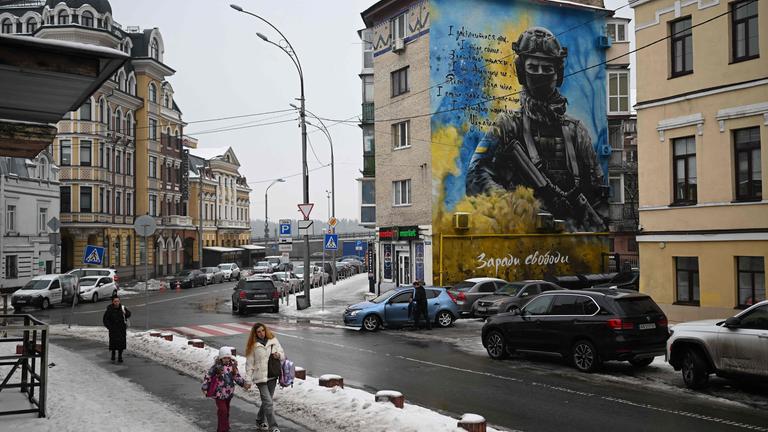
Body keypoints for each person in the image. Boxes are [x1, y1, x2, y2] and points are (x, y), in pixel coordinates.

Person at [465, 27, 608, 231]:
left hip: (571, 242)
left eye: (547, 68)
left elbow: (596, 191)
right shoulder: (507, 125)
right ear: (522, 71)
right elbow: (476, 176)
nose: (540, 74)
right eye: (533, 67)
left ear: (558, 73)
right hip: (520, 239)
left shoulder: (576, 131)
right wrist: (520, 207)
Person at [245, 323, 285, 432]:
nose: (261, 333)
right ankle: (274, 427)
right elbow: (249, 364)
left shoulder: (273, 340)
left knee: (267, 401)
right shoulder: (253, 345)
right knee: (268, 402)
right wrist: (248, 379)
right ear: (255, 333)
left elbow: (282, 354)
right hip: (260, 378)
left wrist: (279, 355)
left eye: (263, 330)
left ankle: (259, 420)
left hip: (272, 375)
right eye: (258, 331)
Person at [202, 346, 249, 432]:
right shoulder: (216, 367)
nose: (226, 359)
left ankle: (225, 426)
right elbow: (208, 377)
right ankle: (222, 429)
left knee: (226, 411)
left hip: (228, 393)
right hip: (219, 394)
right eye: (224, 358)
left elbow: (237, 377)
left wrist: (244, 384)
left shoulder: (233, 367)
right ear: (221, 358)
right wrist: (205, 387)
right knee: (223, 410)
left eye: (228, 357)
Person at [102, 294, 131, 363]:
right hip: (113, 330)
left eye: (118, 301)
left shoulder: (122, 308)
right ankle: (113, 354)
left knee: (121, 343)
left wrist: (126, 313)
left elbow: (129, 314)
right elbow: (105, 319)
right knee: (113, 343)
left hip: (121, 329)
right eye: (115, 301)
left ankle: (120, 356)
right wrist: (109, 327)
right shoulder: (109, 309)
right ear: (113, 302)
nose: (117, 302)